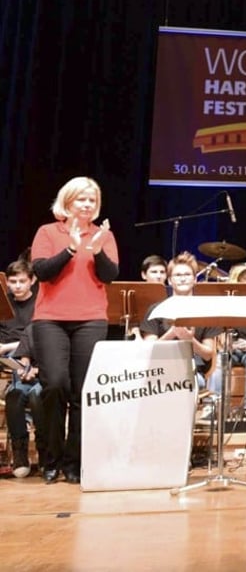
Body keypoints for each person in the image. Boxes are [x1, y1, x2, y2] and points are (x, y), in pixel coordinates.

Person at [30, 176, 119, 484]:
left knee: (83, 392)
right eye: (82, 198)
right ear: (67, 201)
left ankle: (73, 462)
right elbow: (42, 271)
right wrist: (70, 248)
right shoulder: (47, 232)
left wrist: (97, 250)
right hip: (51, 318)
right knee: (55, 384)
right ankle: (50, 458)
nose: (87, 204)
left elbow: (109, 275)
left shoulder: (103, 235)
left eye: (92, 200)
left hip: (90, 319)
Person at [139, 252, 217, 394]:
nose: (182, 278)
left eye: (187, 274)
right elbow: (148, 351)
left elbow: (207, 354)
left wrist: (190, 340)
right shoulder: (156, 309)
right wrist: (171, 333)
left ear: (195, 279)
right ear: (169, 280)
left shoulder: (207, 311)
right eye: (178, 275)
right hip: (160, 369)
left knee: (194, 382)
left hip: (193, 369)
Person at [208, 264, 246, 419]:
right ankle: (214, 406)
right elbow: (220, 333)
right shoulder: (230, 305)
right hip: (233, 350)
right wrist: (228, 343)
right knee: (219, 361)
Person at [2, 259, 45, 478]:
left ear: (32, 281)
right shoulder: (4, 303)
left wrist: (9, 348)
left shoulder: (40, 303)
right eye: (12, 282)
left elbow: (38, 337)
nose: (17, 286)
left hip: (33, 355)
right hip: (6, 357)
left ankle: (43, 449)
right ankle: (20, 452)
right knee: (17, 392)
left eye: (21, 281)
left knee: (21, 394)